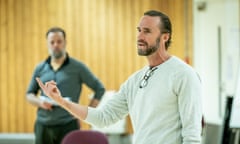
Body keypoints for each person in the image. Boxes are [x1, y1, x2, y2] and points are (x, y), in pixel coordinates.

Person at [36, 10, 202, 144]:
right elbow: (102, 118)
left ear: (165, 37)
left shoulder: (184, 75)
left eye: (147, 31)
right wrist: (62, 102)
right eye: (139, 30)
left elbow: (192, 136)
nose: (139, 37)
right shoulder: (134, 81)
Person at [26, 27, 105, 144]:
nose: (55, 45)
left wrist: (85, 114)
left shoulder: (78, 67)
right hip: (43, 126)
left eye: (59, 41)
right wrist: (40, 103)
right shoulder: (40, 68)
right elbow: (29, 94)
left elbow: (100, 89)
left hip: (68, 126)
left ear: (65, 42)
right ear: (47, 44)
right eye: (52, 42)